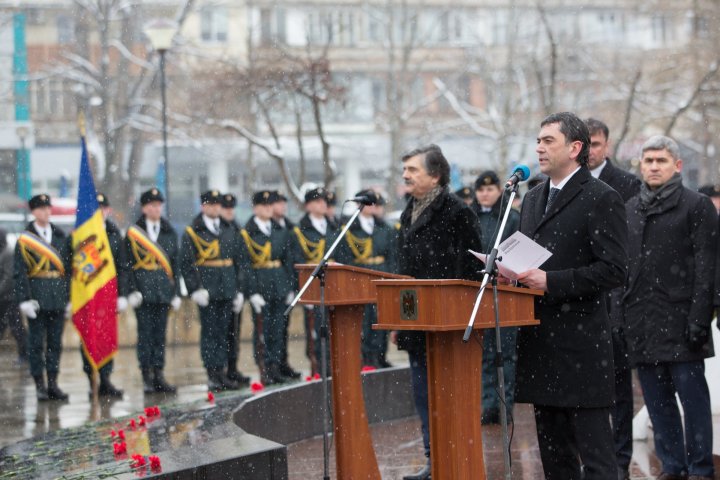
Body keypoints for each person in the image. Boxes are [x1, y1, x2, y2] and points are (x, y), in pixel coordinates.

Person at [514, 112, 627, 480]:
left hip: (581, 347)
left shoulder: (601, 197)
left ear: (575, 148)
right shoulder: (531, 199)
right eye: (538, 140)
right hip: (540, 340)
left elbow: (614, 270)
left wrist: (553, 282)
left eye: (548, 141)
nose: (539, 148)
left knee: (596, 458)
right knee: (555, 458)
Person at [619, 135, 716, 480]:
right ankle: (672, 466)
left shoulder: (697, 205)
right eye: (648, 161)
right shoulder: (631, 209)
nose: (654, 166)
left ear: (676, 165)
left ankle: (701, 468)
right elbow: (626, 267)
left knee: (694, 403)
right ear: (641, 166)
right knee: (658, 405)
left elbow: (708, 267)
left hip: (682, 322)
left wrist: (700, 318)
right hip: (642, 323)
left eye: (661, 160)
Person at [395, 145, 483, 480]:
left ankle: (455, 459)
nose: (406, 175)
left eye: (413, 170)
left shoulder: (457, 212)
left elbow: (472, 270)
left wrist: (456, 309)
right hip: (416, 321)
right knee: (423, 395)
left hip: (448, 324)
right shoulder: (409, 210)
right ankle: (434, 460)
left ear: (435, 175)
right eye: (405, 170)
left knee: (448, 397)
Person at [585, 117, 641, 480]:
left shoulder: (626, 185)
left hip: (614, 297)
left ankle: (619, 459)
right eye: (584, 143)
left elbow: (630, 248)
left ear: (606, 145)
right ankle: (591, 457)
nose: (590, 151)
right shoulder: (554, 185)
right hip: (577, 299)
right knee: (586, 389)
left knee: (619, 386)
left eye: (596, 143)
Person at [180, 190, 249, 391]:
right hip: (207, 290)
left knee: (224, 333)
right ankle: (212, 373)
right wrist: (195, 289)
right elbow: (186, 263)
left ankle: (224, 372)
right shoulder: (194, 231)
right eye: (210, 204)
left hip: (227, 288)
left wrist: (239, 290)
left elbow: (240, 261)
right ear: (203, 206)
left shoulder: (229, 229)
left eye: (217, 205)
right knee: (210, 333)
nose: (215, 208)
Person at [469, 170, 520, 425]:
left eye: (490, 189)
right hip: (477, 291)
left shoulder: (510, 217)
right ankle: (486, 404)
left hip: (504, 291)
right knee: (483, 353)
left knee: (504, 352)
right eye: (481, 190)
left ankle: (502, 405)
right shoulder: (470, 217)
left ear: (499, 190)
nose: (485, 194)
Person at [14, 194, 73, 401]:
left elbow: (67, 270)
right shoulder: (25, 240)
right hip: (36, 298)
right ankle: (40, 385)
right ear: (33, 212)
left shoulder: (60, 236)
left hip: (57, 298)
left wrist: (69, 298)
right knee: (36, 344)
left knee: (55, 344)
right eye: (41, 209)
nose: (46, 212)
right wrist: (24, 300)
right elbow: (19, 273)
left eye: (48, 208)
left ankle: (54, 383)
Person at [123, 188, 180, 394]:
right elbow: (126, 265)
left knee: (160, 335)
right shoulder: (133, 233)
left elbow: (175, 264)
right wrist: (131, 290)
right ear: (144, 208)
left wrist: (176, 294)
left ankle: (159, 374)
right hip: (143, 291)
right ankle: (146, 375)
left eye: (158, 205)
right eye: (152, 205)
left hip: (163, 291)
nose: (156, 209)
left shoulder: (169, 231)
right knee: (145, 335)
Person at [335, 189, 397, 368]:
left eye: (376, 205)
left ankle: (380, 356)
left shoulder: (385, 228)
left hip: (381, 275)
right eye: (370, 204)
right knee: (364, 320)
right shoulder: (349, 229)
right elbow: (344, 257)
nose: (374, 208)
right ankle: (365, 357)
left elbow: (392, 255)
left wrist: (391, 278)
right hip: (360, 276)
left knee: (381, 318)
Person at [241, 190, 298, 385]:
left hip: (279, 284)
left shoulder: (279, 230)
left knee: (278, 329)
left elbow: (287, 259)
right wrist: (252, 292)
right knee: (262, 331)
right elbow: (245, 265)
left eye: (269, 206)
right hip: (260, 284)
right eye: (263, 206)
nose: (267, 209)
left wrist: (291, 286)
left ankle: (275, 366)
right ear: (255, 208)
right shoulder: (247, 232)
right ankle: (264, 368)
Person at [79, 192, 123, 398]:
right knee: (89, 338)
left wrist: (122, 294)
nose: (100, 213)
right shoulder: (81, 235)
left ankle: (106, 378)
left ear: (108, 211)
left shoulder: (115, 234)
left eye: (103, 209)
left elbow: (122, 266)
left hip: (108, 295)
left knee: (107, 337)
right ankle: (91, 379)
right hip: (88, 296)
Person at [290, 187, 338, 375]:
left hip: (335, 283)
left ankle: (334, 364)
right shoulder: (300, 230)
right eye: (318, 202)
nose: (323, 205)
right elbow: (295, 260)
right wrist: (301, 290)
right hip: (313, 284)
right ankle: (318, 366)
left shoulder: (334, 226)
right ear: (308, 205)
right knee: (316, 330)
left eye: (325, 202)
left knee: (335, 327)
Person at [220, 193, 252, 386]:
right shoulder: (220, 230)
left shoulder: (237, 229)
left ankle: (233, 367)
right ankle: (221, 369)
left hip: (233, 288)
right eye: (226, 208)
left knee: (234, 332)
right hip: (221, 288)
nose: (229, 212)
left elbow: (242, 263)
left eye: (232, 208)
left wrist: (241, 290)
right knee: (221, 332)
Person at [0, 228, 27, 364]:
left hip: (9, 298)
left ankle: (25, 354)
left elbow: (8, 278)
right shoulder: (3, 252)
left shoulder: (7, 253)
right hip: (4, 298)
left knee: (17, 328)